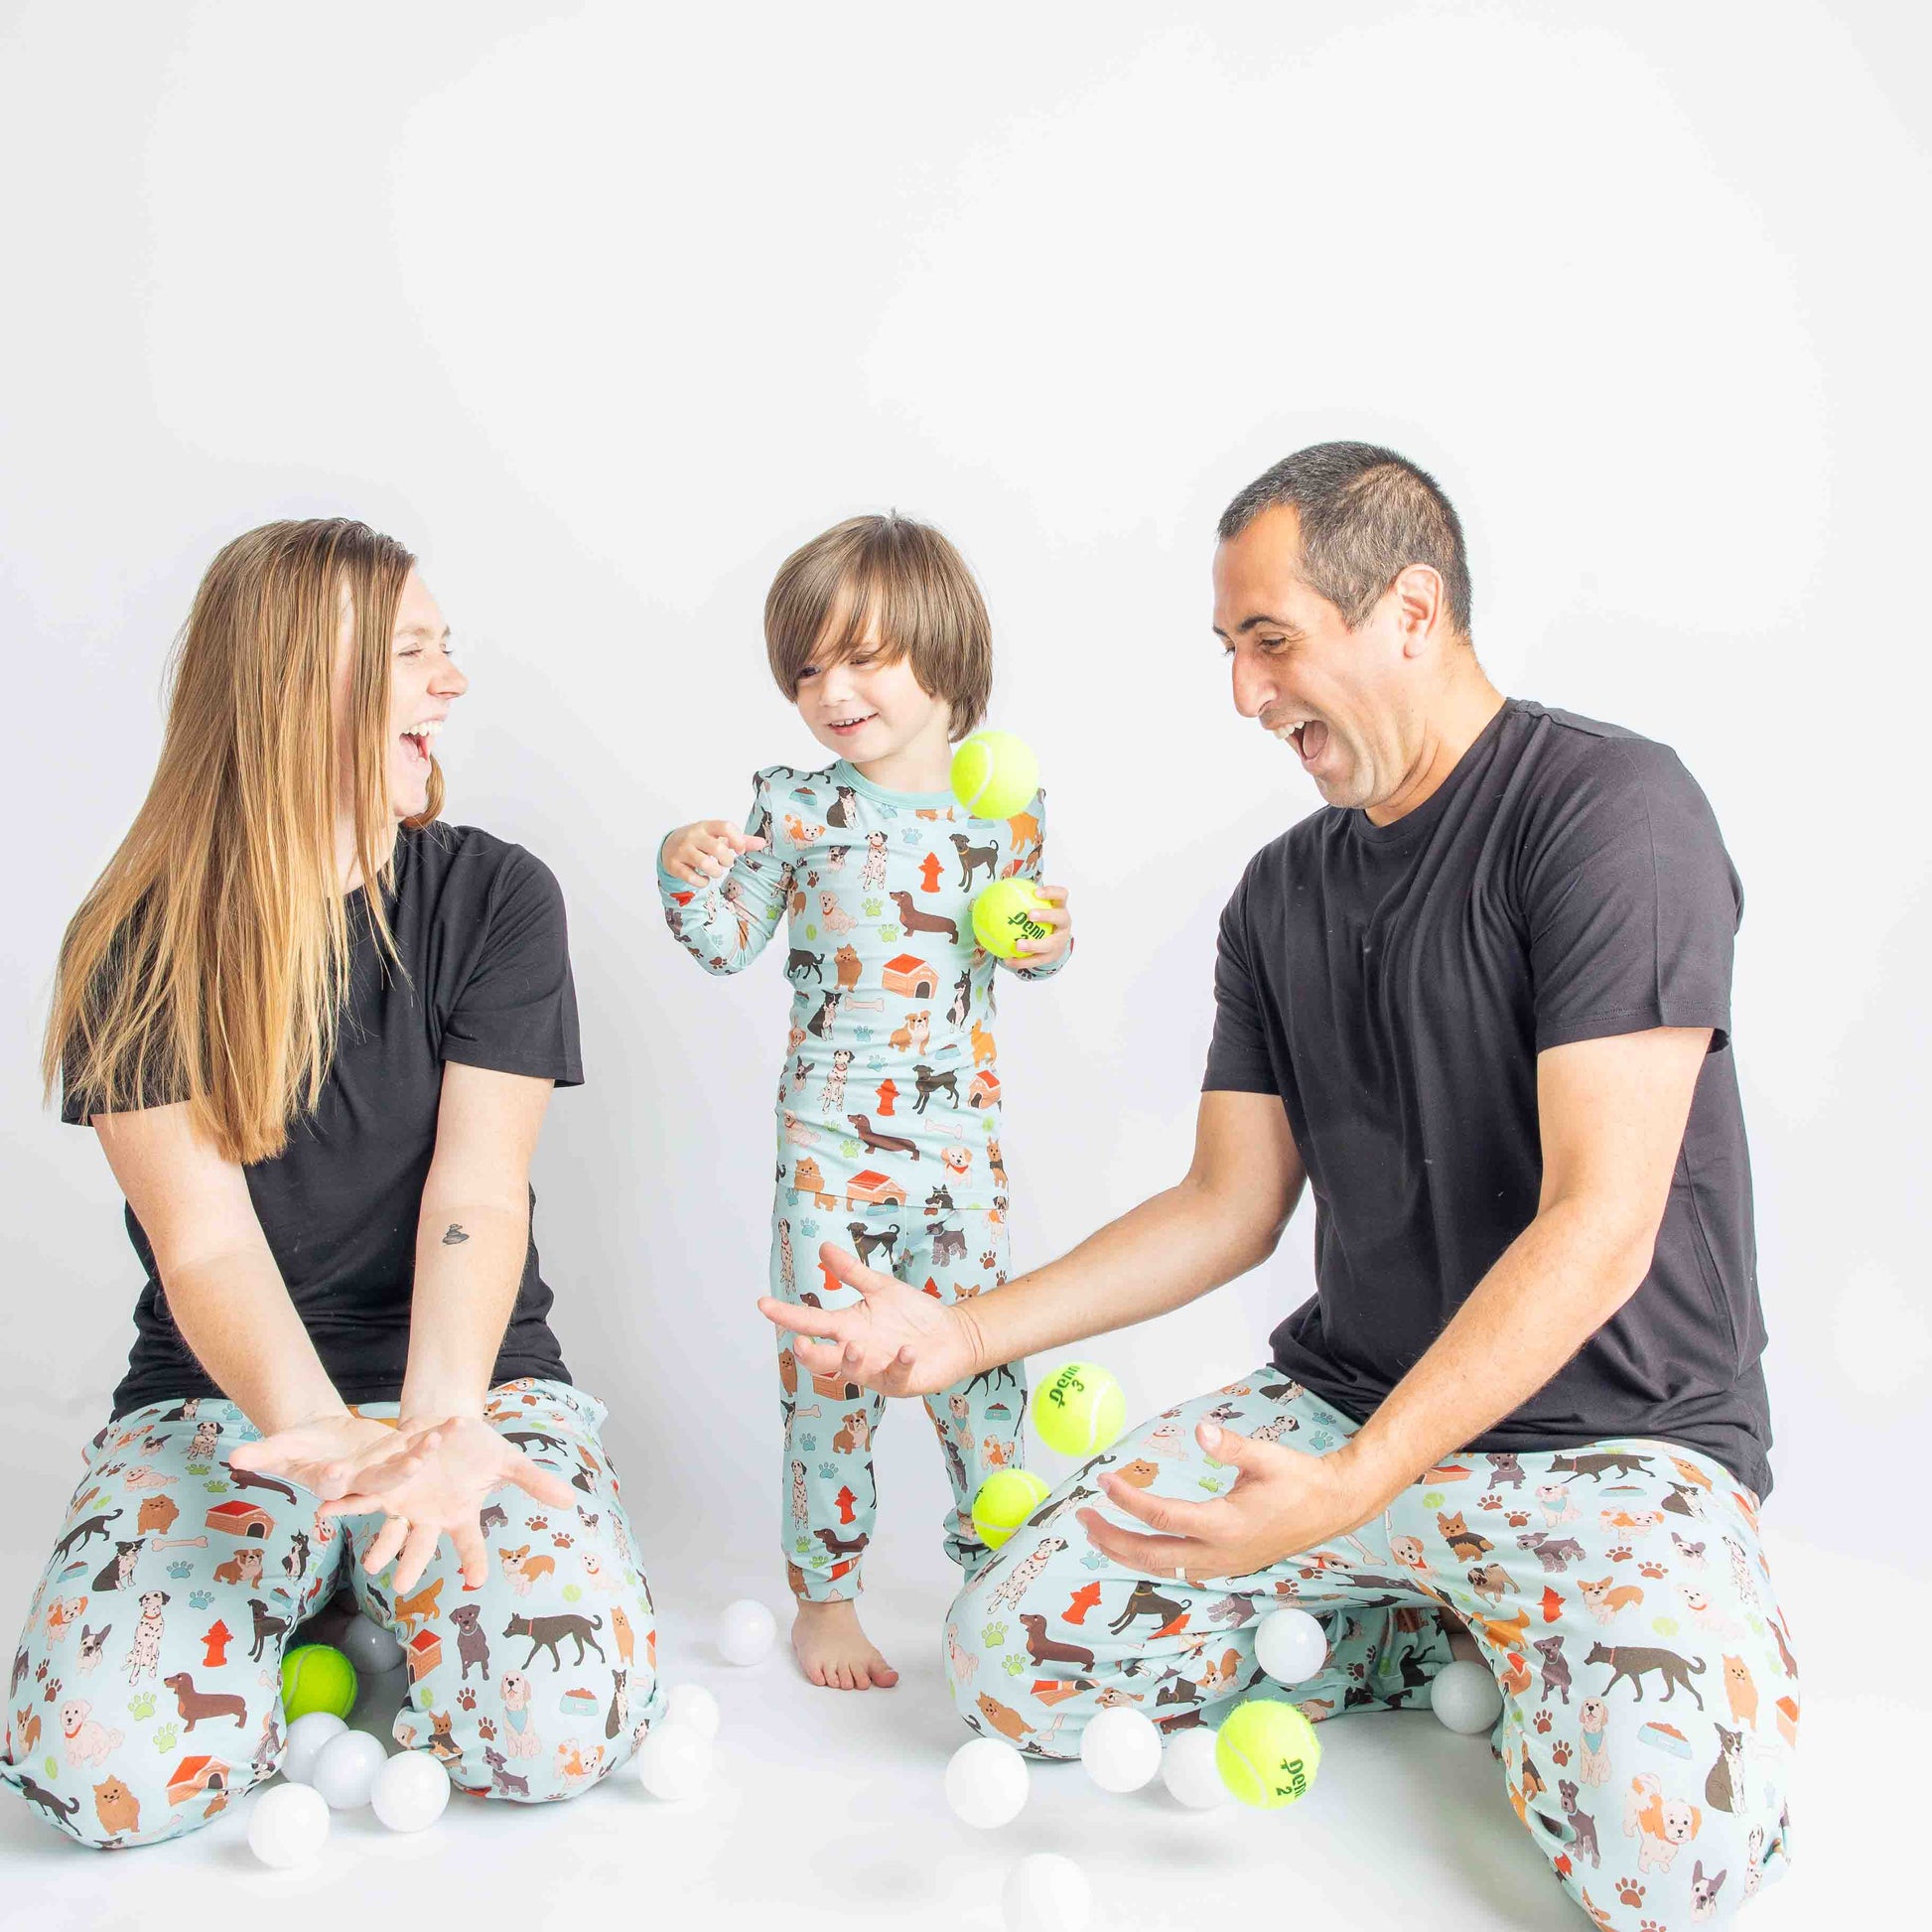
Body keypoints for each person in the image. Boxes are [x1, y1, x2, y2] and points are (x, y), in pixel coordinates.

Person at [761, 447, 1794, 1925]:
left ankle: (1562, 1612)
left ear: (1411, 611)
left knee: (1666, 1871)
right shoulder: (1281, 895)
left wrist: (1356, 1488)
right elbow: (1224, 1206)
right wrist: (965, 1332)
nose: (1246, 696)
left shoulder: (1609, 812)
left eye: (1271, 641)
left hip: (1615, 1443)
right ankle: (1432, 1615)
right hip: (1341, 1412)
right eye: (1230, 650)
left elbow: (1600, 1221)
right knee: (1007, 1663)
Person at [3, 519, 660, 1850]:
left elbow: (477, 1190)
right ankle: (313, 1572)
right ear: (305, 683)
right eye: (415, 653)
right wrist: (328, 1445)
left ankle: (349, 1579)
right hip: (230, 1399)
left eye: (444, 650)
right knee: (97, 1782)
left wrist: (431, 1433)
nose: (451, 683)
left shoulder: (492, 897)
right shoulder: (135, 940)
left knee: (550, 1736)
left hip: (468, 1386)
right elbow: (205, 1249)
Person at [660, 513, 1073, 1691]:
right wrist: (682, 868)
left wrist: (1048, 934)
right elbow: (724, 941)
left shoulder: (1004, 806)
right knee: (828, 1376)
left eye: (862, 656)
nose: (830, 688)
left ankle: (997, 1567)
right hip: (829, 1154)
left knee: (980, 1374)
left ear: (943, 651)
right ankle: (825, 1598)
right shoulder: (793, 806)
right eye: (804, 668)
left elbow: (1026, 949)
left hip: (957, 1154)